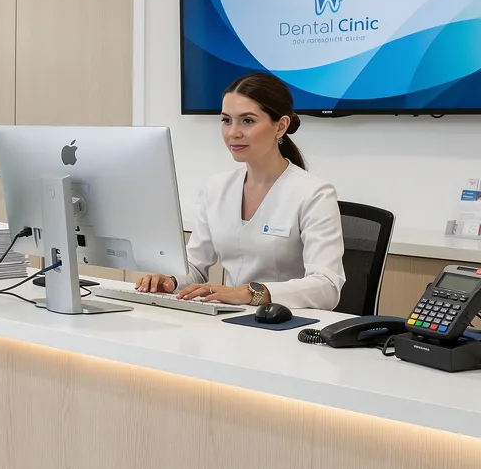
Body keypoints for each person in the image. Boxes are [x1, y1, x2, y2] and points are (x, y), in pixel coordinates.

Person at [136, 72, 346, 309]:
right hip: (231, 322)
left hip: (287, 326)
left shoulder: (315, 193)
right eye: (226, 120)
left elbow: (326, 287)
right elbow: (195, 266)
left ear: (281, 126)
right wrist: (170, 281)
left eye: (247, 121)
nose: (233, 132)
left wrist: (250, 293)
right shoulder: (217, 188)